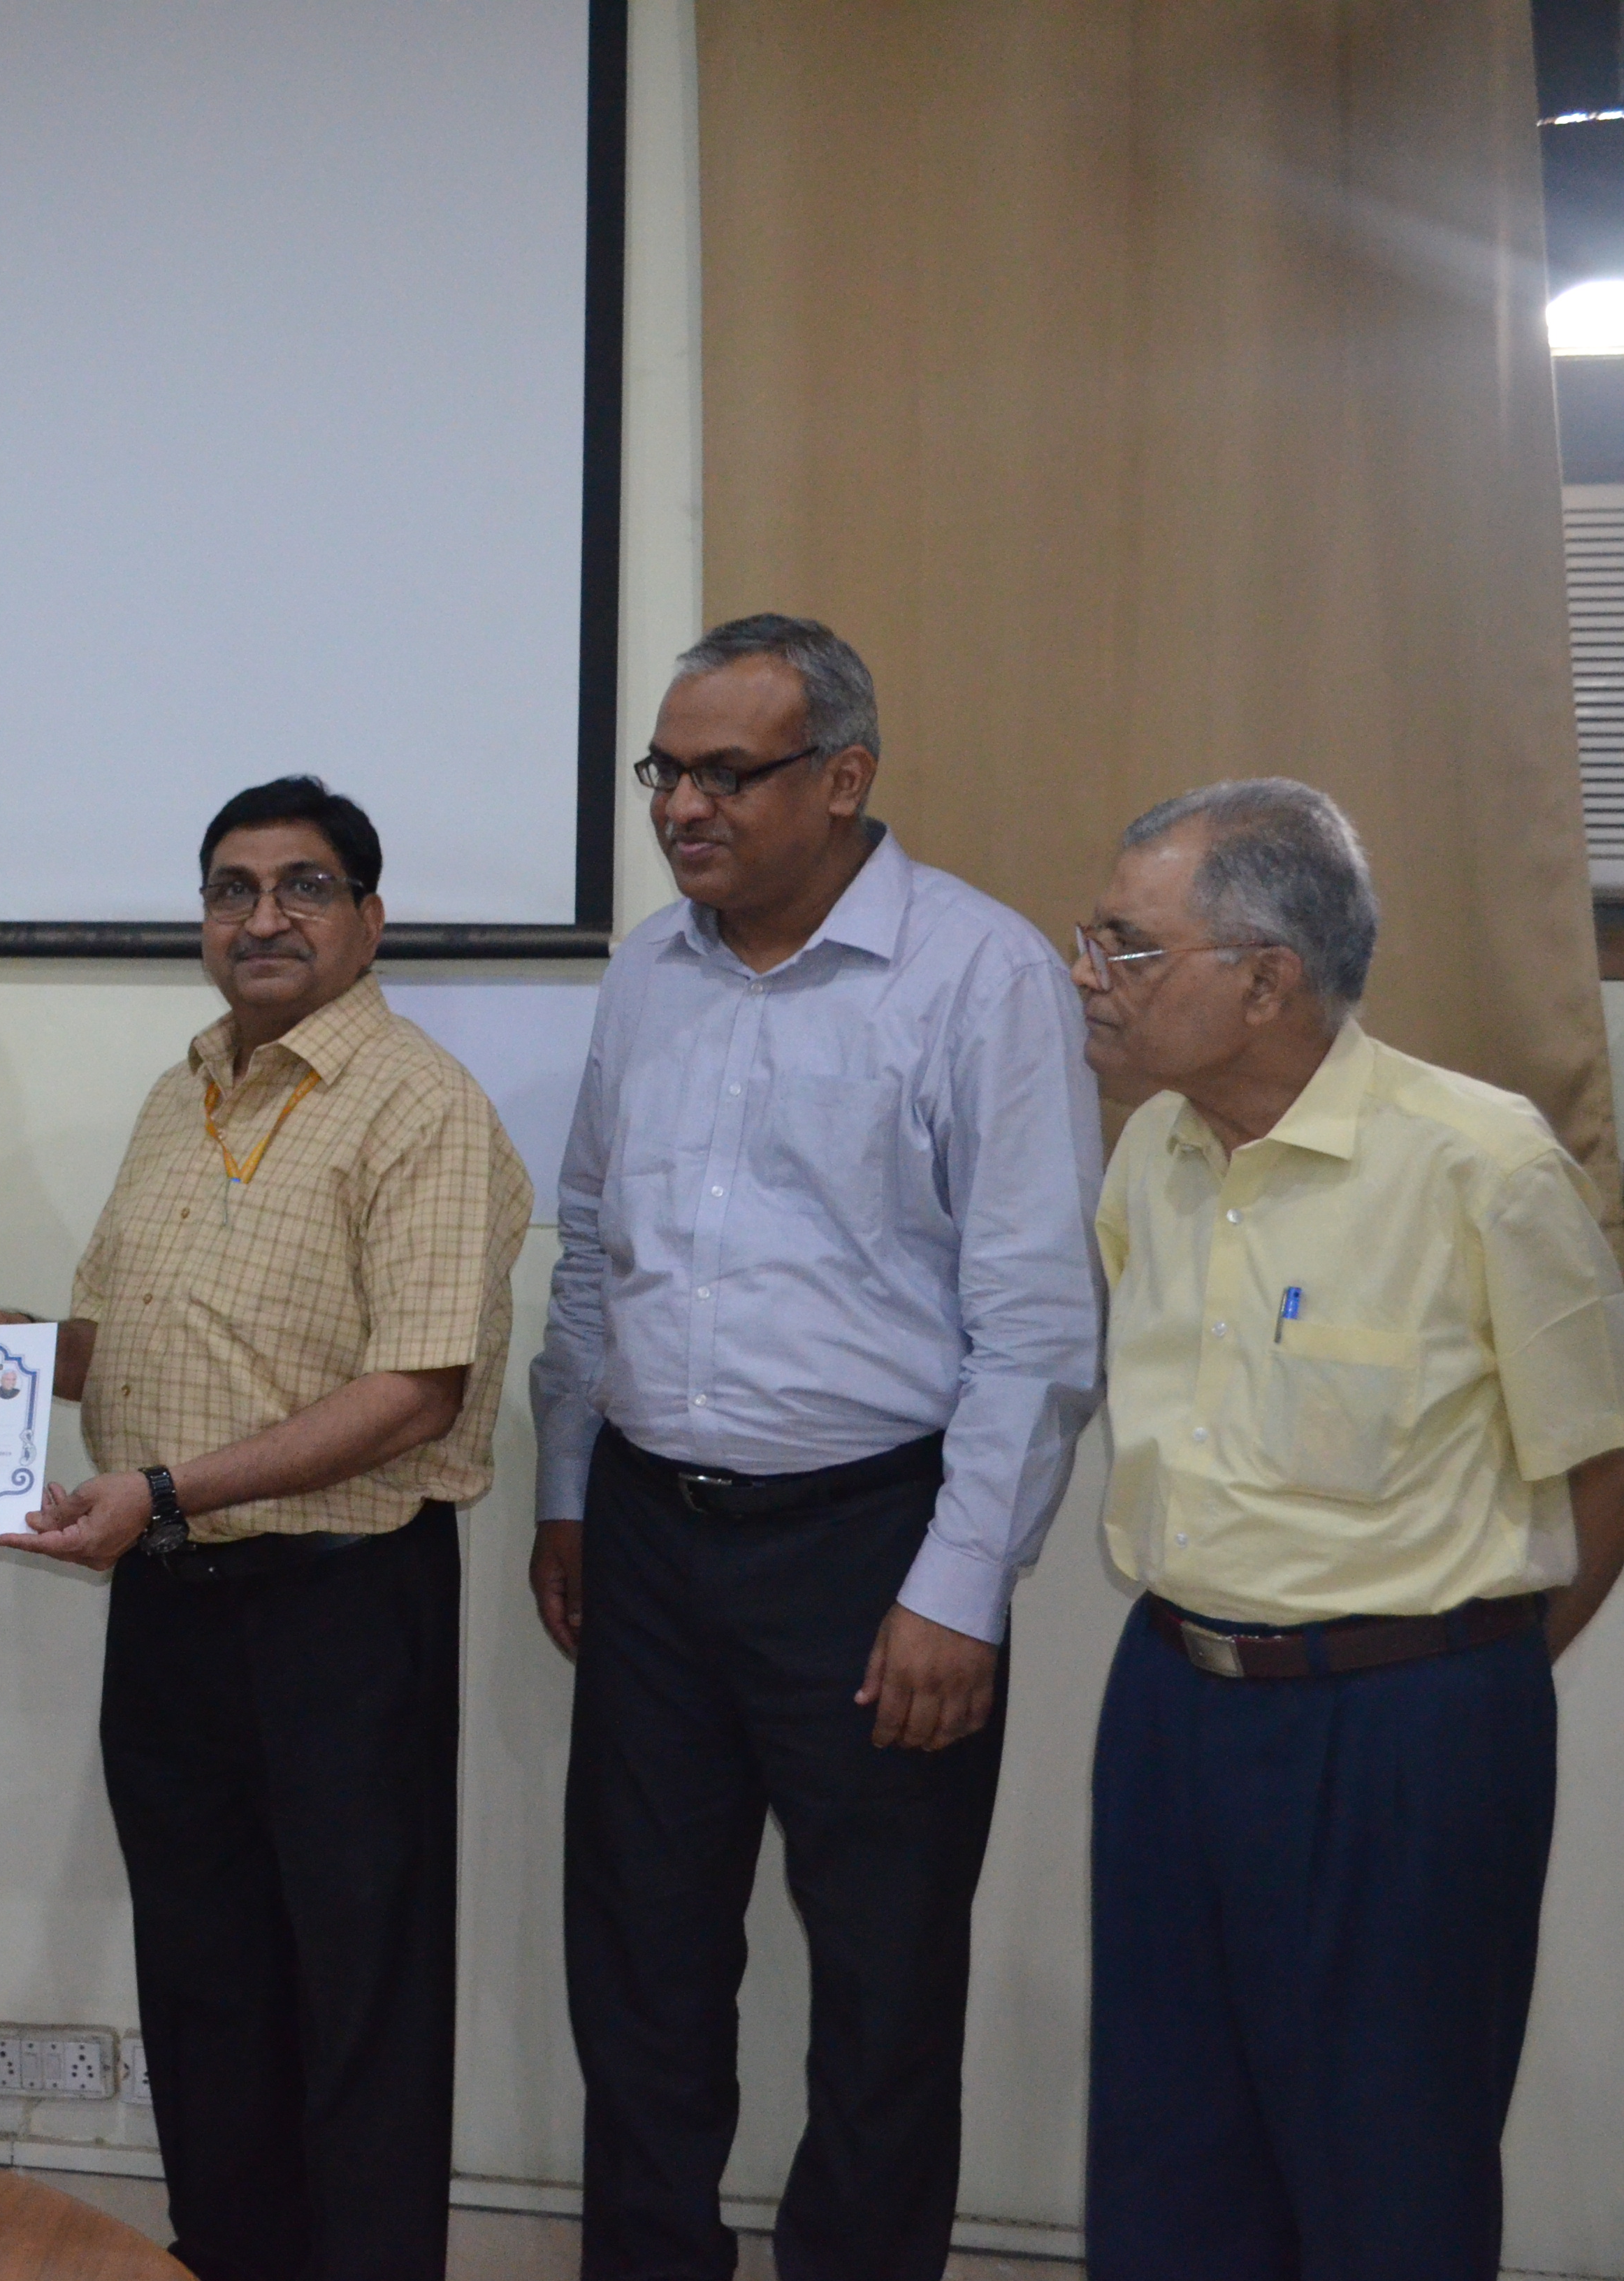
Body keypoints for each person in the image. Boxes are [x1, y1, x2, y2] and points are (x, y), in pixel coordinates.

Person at [528, 614, 1103, 2279]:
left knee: (880, 1985)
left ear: (843, 780)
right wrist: (568, 1490)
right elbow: (592, 1248)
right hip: (648, 1533)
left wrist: (960, 1586)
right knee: (636, 1967)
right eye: (664, 771)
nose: (680, 808)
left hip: (872, 1549)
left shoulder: (979, 975)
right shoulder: (651, 966)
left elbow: (1036, 1323)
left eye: (726, 774)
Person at [0, 776, 532, 2281]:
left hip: (341, 1606)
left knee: (358, 1986)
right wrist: (14, 1349)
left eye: (301, 887)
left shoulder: (423, 1106)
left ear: (369, 920)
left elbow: (416, 1392)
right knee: (203, 1972)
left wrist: (170, 1493)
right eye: (230, 890)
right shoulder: (181, 1089)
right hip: (173, 1592)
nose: (262, 918)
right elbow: (146, 1347)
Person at [1071, 780, 1624, 2281]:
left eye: (1128, 947)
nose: (1088, 977)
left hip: (1406, 1739)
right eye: (1092, 939)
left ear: (1266, 982)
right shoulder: (1152, 1154)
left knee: (1391, 2168)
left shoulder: (1478, 1163)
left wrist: (1458, 1674)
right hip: (1170, 1704)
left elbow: (1598, 1462)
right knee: (1167, 2157)